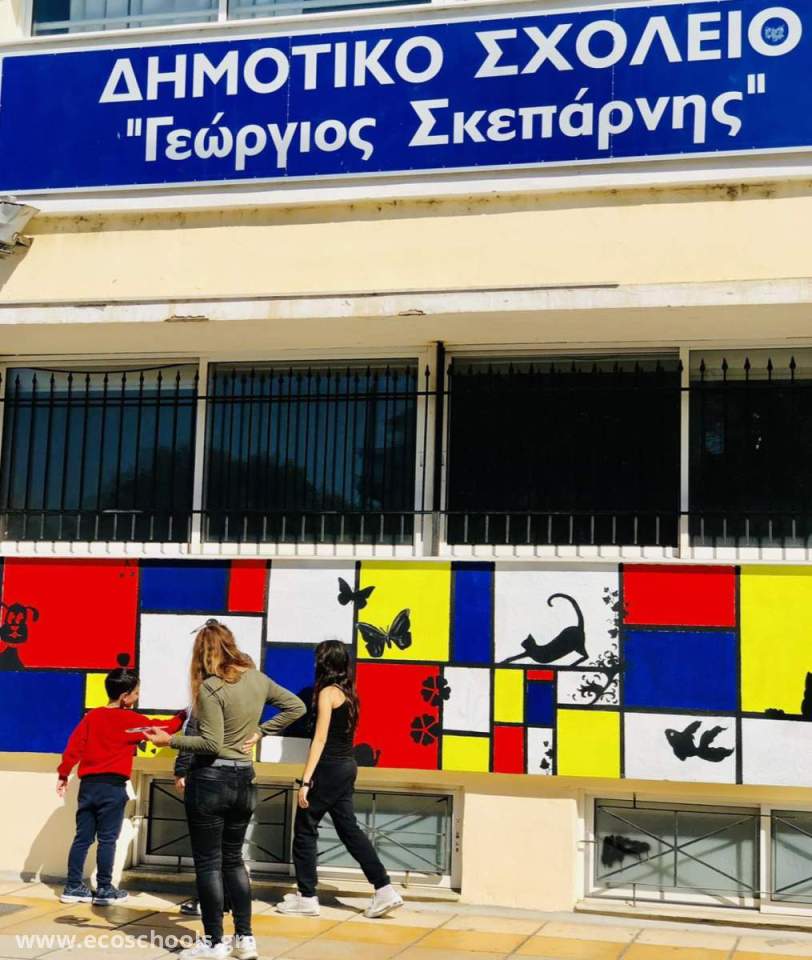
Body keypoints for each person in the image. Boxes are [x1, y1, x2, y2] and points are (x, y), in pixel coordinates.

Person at [145, 620, 305, 960]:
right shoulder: (257, 679)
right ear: (231, 644)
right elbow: (297, 707)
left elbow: (211, 743)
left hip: (211, 781)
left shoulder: (211, 687)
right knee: (234, 861)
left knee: (208, 864)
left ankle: (214, 942)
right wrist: (262, 731)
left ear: (202, 653)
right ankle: (245, 939)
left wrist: (169, 740)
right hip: (244, 779)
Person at [274, 640, 403, 919]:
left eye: (317, 659)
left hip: (328, 769)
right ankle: (384, 889)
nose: (313, 664)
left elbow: (320, 739)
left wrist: (305, 781)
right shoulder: (349, 694)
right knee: (349, 830)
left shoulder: (327, 694)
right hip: (346, 767)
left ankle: (307, 897)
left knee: (305, 830)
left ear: (324, 663)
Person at [57, 666, 185, 906]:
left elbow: (74, 747)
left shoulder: (92, 717)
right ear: (125, 696)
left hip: (88, 786)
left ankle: (72, 886)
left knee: (82, 838)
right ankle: (105, 889)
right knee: (107, 840)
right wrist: (184, 714)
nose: (137, 697)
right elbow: (165, 728)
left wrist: (64, 774)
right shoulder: (131, 722)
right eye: (136, 693)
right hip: (113, 788)